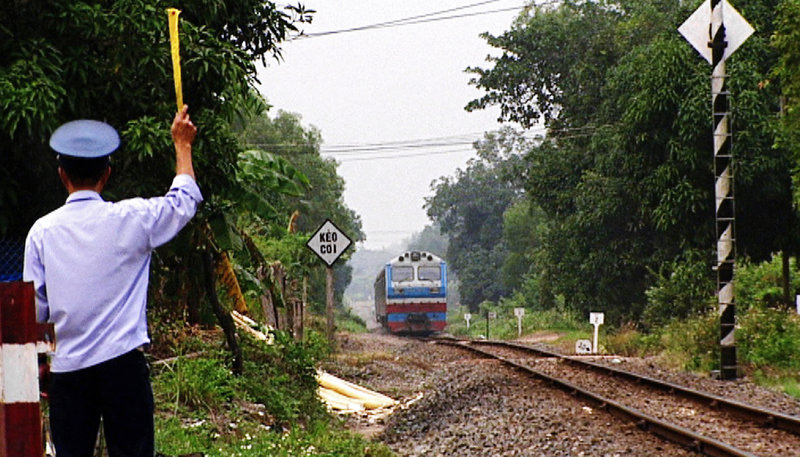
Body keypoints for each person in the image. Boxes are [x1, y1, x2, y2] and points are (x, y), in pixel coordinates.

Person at [23, 106, 202, 457]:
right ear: (106, 174)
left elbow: (35, 311)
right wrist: (182, 145)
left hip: (69, 372)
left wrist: (44, 365)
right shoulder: (132, 218)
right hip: (124, 368)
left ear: (62, 174)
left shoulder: (41, 233)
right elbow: (184, 201)